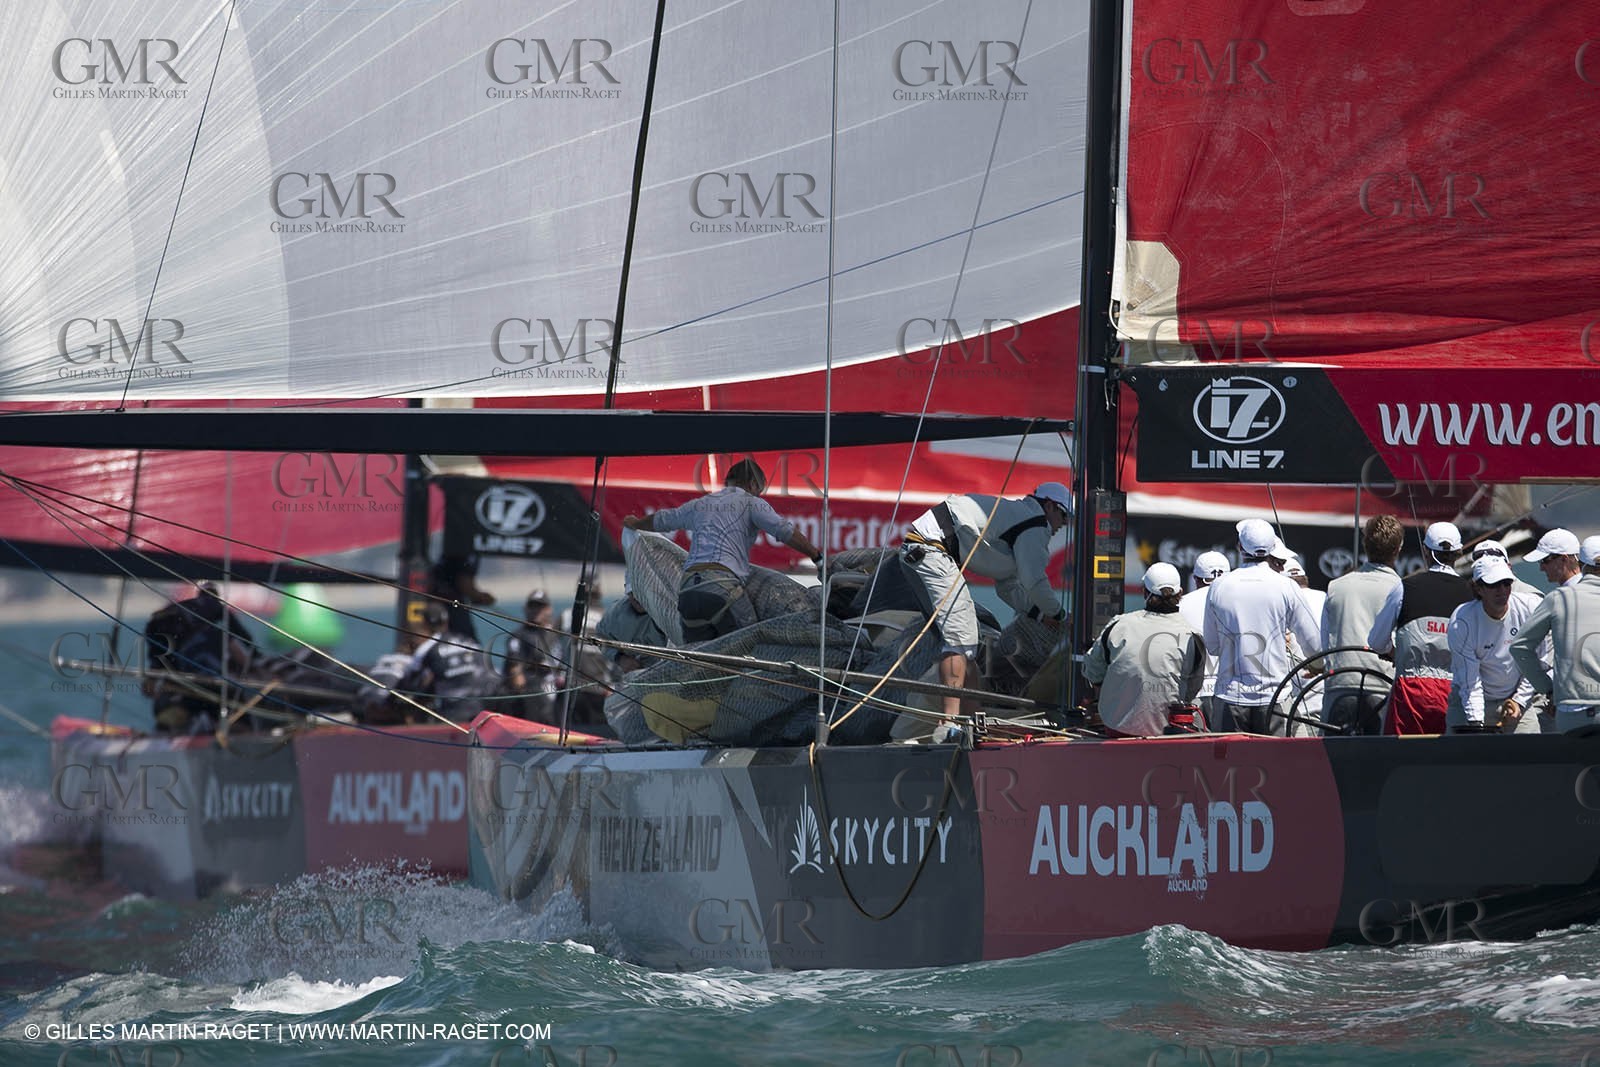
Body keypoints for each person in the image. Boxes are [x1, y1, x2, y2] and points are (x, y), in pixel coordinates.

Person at [901, 482, 1072, 726]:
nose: (1063, 524)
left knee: (968, 639)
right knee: (961, 638)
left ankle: (970, 721)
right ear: (1049, 506)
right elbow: (1034, 580)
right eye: (1063, 516)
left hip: (922, 549)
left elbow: (1007, 587)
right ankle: (948, 723)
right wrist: (1060, 615)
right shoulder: (1035, 522)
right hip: (932, 550)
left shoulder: (1017, 519)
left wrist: (1039, 615)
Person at [622, 458, 822, 642]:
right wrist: (817, 556)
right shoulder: (751, 502)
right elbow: (785, 532)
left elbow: (663, 519)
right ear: (753, 485)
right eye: (760, 490)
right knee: (750, 648)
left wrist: (636, 523)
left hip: (688, 593)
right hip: (721, 587)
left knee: (701, 663)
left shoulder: (701, 503)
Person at [1202, 519, 1321, 736]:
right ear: (1272, 549)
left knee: (1229, 768)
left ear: (1239, 547)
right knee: (1276, 767)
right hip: (1275, 698)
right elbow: (1314, 644)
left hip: (1230, 698)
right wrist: (1318, 666)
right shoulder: (1287, 587)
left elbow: (1212, 647)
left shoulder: (1219, 586)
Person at [1367, 521, 1474, 735]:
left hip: (1411, 691)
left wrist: (1393, 652)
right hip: (1456, 692)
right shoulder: (1471, 594)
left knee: (1401, 760)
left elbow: (1376, 642)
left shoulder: (1405, 587)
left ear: (1426, 552)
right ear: (1459, 553)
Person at [1082, 563, 1206, 737]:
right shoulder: (1193, 637)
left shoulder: (1119, 625)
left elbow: (1092, 672)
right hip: (1169, 732)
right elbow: (1193, 688)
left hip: (1118, 728)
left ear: (1145, 592)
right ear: (1180, 593)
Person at [1321, 516, 1403, 735]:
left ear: (1365, 545)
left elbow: (1324, 644)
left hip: (1339, 685)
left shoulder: (1335, 587)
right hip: (1383, 687)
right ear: (1399, 548)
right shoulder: (1401, 589)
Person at [144, 582, 257, 733]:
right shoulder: (216, 625)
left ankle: (173, 730)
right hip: (212, 687)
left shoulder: (173, 624)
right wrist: (256, 661)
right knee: (243, 723)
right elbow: (244, 641)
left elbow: (153, 676)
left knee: (171, 707)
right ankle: (218, 730)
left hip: (183, 689)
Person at [1445, 556, 1541, 734]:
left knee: (1533, 757)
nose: (1502, 590)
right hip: (1469, 698)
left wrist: (1519, 701)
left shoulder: (1530, 608)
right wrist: (1476, 724)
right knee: (1460, 759)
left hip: (1517, 699)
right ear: (1478, 588)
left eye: (1506, 583)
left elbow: (1538, 661)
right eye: (1494, 584)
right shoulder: (1462, 621)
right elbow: (1470, 683)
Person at [1509, 558, 1600, 734]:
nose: (1542, 566)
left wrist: (1548, 690)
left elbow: (1519, 647)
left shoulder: (1558, 598)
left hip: (1572, 713)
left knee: (1576, 761)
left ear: (1581, 565)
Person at [403, 601, 499, 722]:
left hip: (454, 714)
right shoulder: (469, 641)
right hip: (486, 708)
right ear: (446, 621)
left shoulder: (426, 647)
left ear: (425, 624)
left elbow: (411, 683)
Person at [1178, 550, 1231, 728]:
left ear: (1196, 579)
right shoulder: (1239, 602)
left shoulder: (1181, 604)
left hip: (1194, 692)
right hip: (1231, 692)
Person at [503, 590, 562, 723]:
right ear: (525, 609)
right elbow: (515, 672)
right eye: (532, 606)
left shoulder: (557, 634)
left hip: (557, 690)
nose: (536, 610)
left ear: (549, 609)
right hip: (534, 694)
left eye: (540, 606)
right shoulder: (518, 637)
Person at [428, 553, 495, 642]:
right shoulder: (466, 550)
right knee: (468, 642)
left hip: (439, 603)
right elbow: (463, 583)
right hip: (450, 605)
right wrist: (480, 597)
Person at [1471, 539, 1543, 600]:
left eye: (1495, 561)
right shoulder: (1469, 600)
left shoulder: (1532, 597)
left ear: (1508, 566)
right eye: (1481, 563)